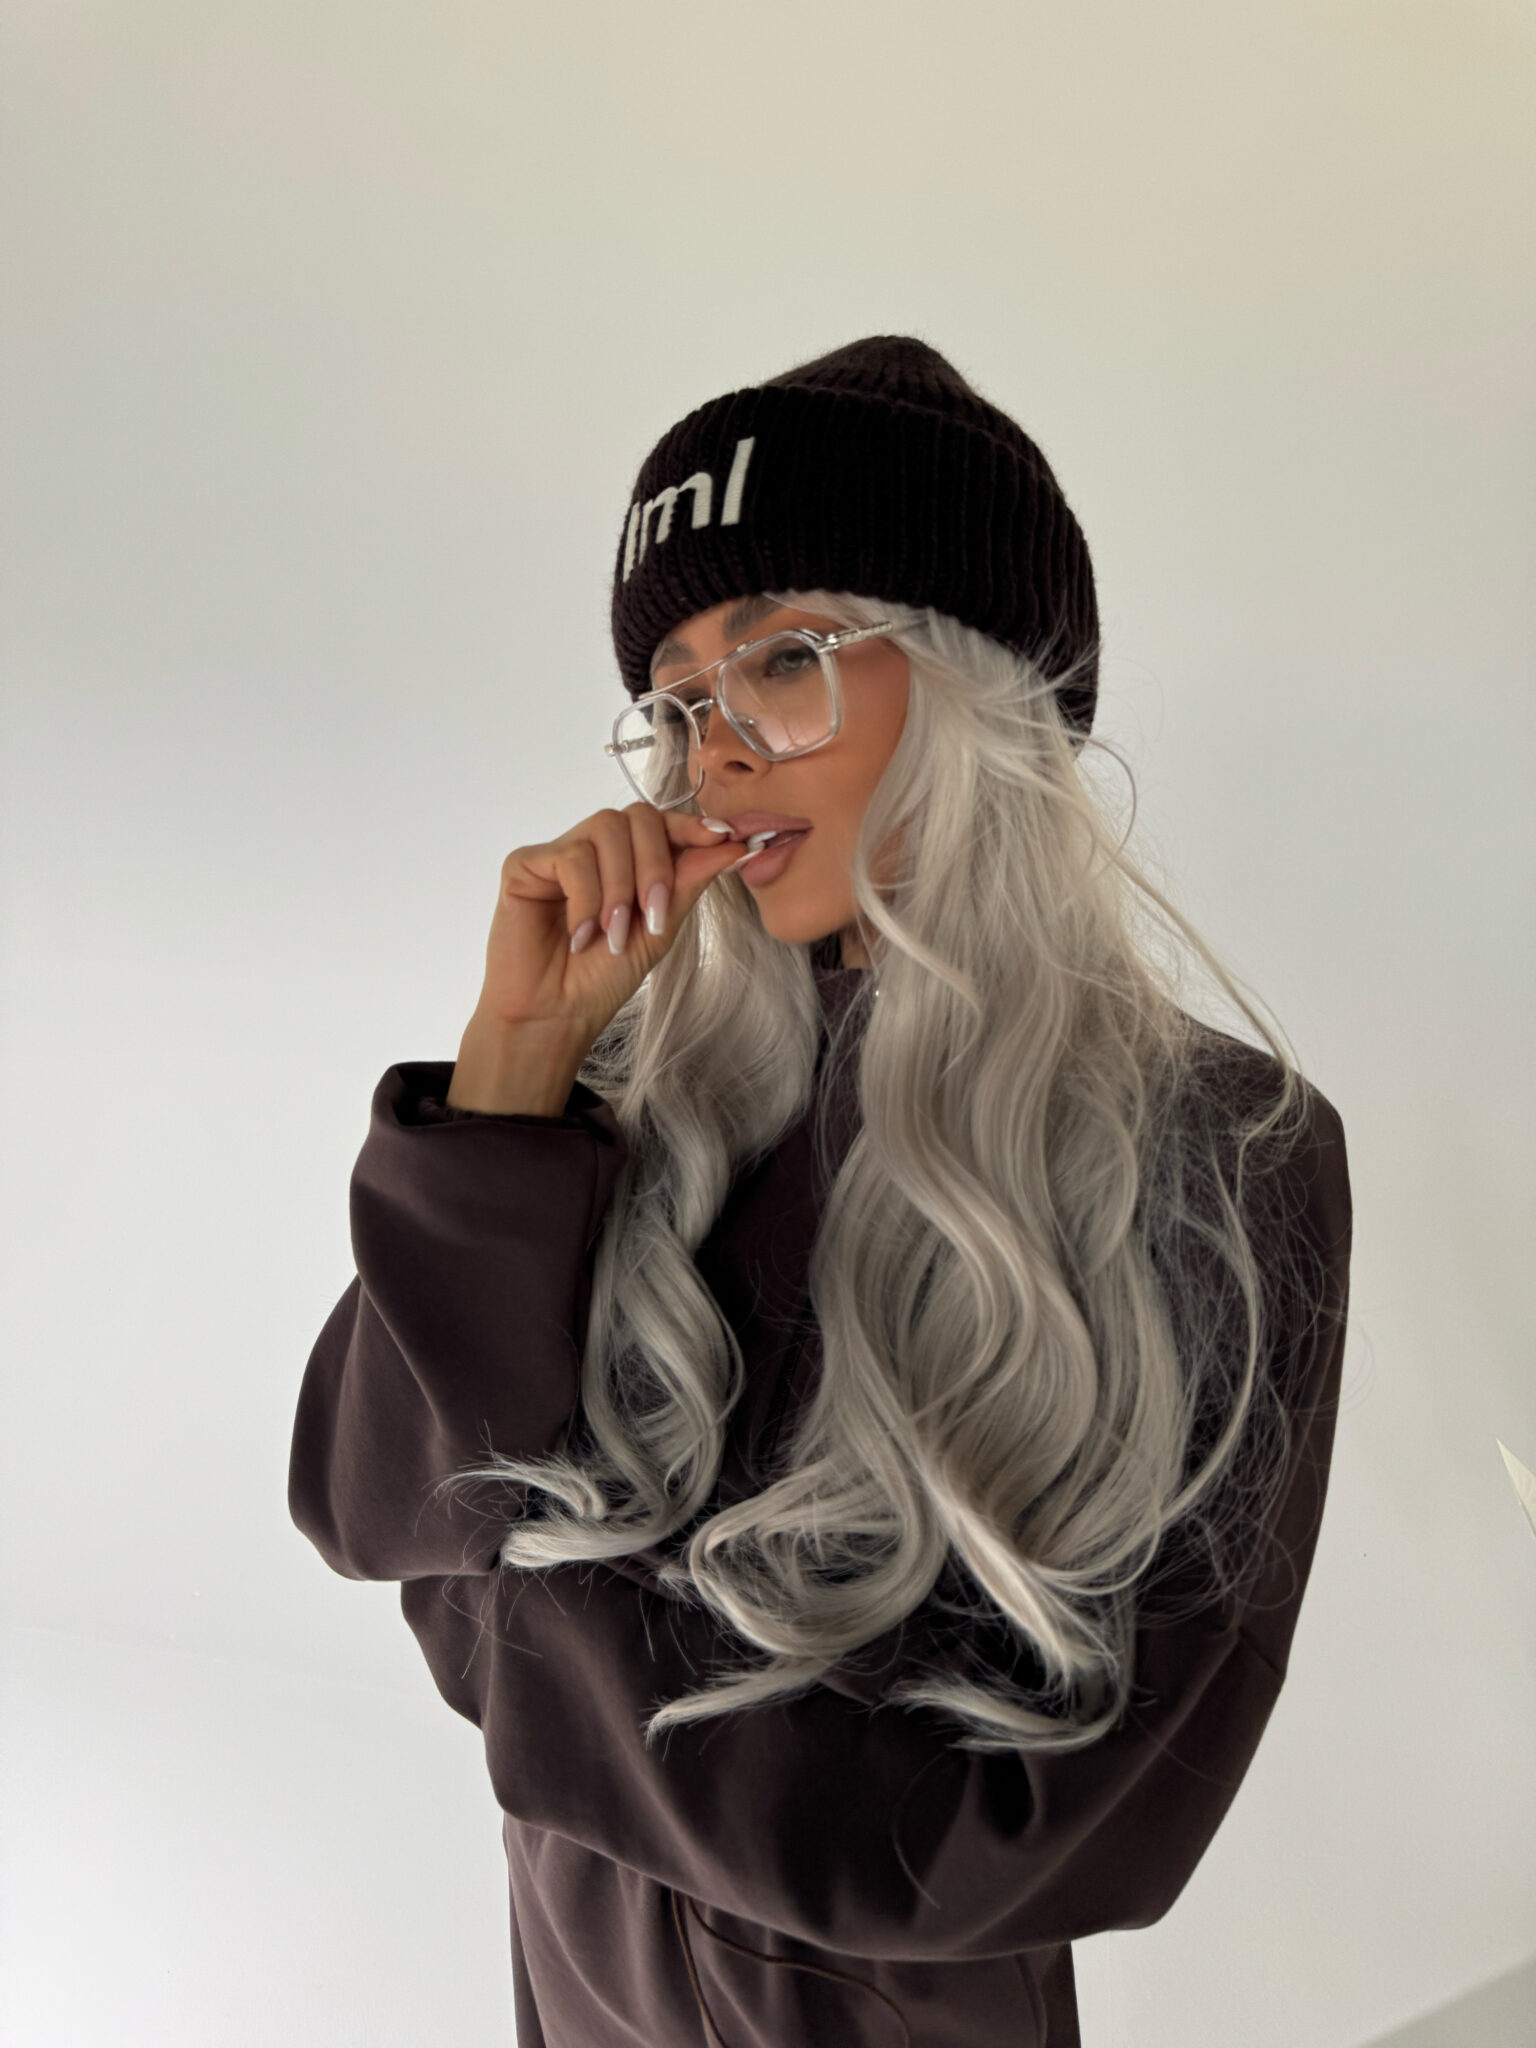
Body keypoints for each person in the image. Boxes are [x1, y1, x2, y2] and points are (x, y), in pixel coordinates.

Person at [289, 335, 1353, 2047]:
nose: (712, 755)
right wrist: (512, 1069)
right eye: (677, 702)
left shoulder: (1218, 1147)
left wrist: (530, 1609)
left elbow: (1047, 1827)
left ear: (978, 683)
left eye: (783, 661)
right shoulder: (621, 1104)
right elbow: (371, 1508)